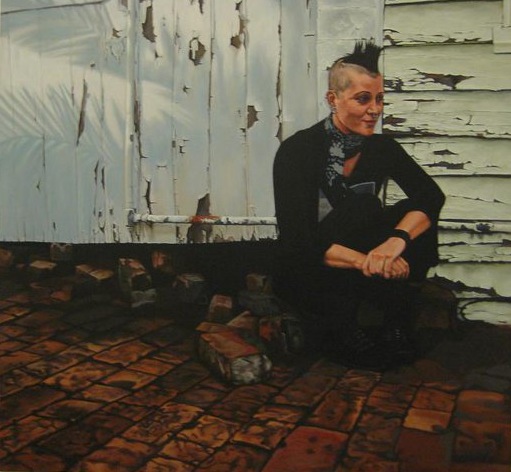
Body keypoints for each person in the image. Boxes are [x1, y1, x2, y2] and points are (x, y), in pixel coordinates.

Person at [272, 40, 445, 370]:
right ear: (333, 100)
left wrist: (395, 243)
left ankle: (396, 322)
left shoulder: (381, 148)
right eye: (363, 99)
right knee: (363, 206)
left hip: (360, 255)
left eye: (379, 99)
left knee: (410, 213)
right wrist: (370, 262)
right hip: (311, 266)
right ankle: (342, 327)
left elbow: (431, 196)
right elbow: (299, 241)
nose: (375, 109)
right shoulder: (299, 151)